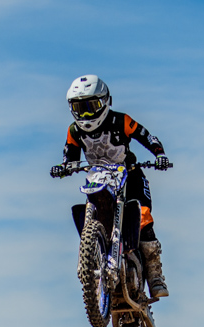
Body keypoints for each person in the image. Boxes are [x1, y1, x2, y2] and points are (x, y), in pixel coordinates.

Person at [50, 75, 171, 298]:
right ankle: (91, 263)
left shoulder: (121, 121)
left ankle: (155, 276)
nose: (86, 115)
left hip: (130, 175)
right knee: (91, 214)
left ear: (105, 102)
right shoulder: (74, 131)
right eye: (80, 108)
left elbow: (147, 136)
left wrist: (160, 155)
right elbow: (70, 155)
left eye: (91, 107)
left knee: (144, 218)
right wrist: (64, 167)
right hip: (99, 179)